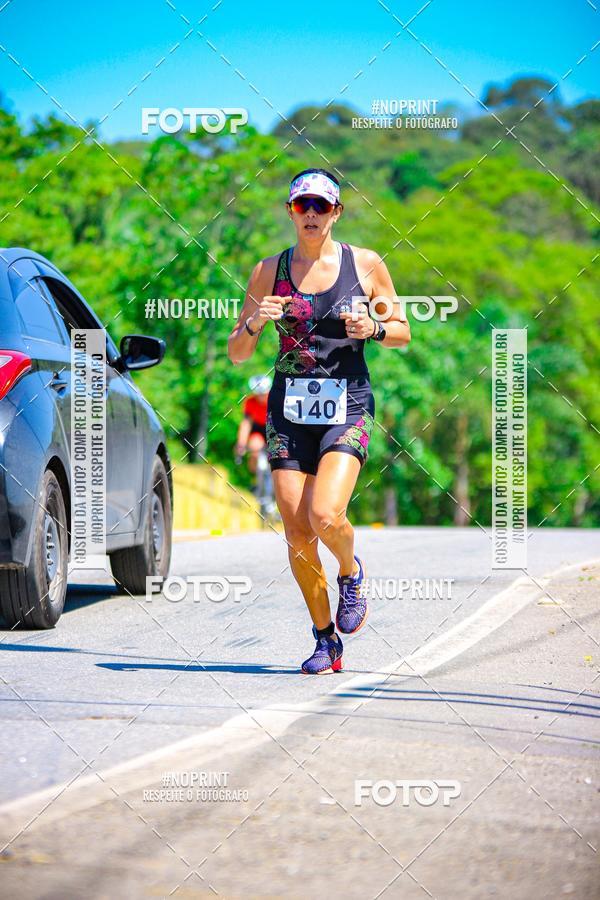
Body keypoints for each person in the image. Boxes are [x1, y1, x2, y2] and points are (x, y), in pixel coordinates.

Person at [228, 167, 411, 674]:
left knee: (325, 514)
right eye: (302, 206)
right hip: (288, 410)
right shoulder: (270, 269)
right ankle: (325, 639)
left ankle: (350, 572)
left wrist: (373, 326)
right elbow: (238, 353)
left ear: (336, 213)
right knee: (296, 531)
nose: (311, 215)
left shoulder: (365, 264)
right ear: (290, 211)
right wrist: (255, 321)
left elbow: (402, 330)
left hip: (347, 403)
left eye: (321, 207)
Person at [235, 374, 272, 476]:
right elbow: (246, 424)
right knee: (254, 446)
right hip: (258, 429)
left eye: (263, 394)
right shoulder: (250, 402)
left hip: (274, 429)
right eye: (257, 394)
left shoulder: (275, 399)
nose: (260, 397)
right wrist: (241, 444)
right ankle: (256, 480)